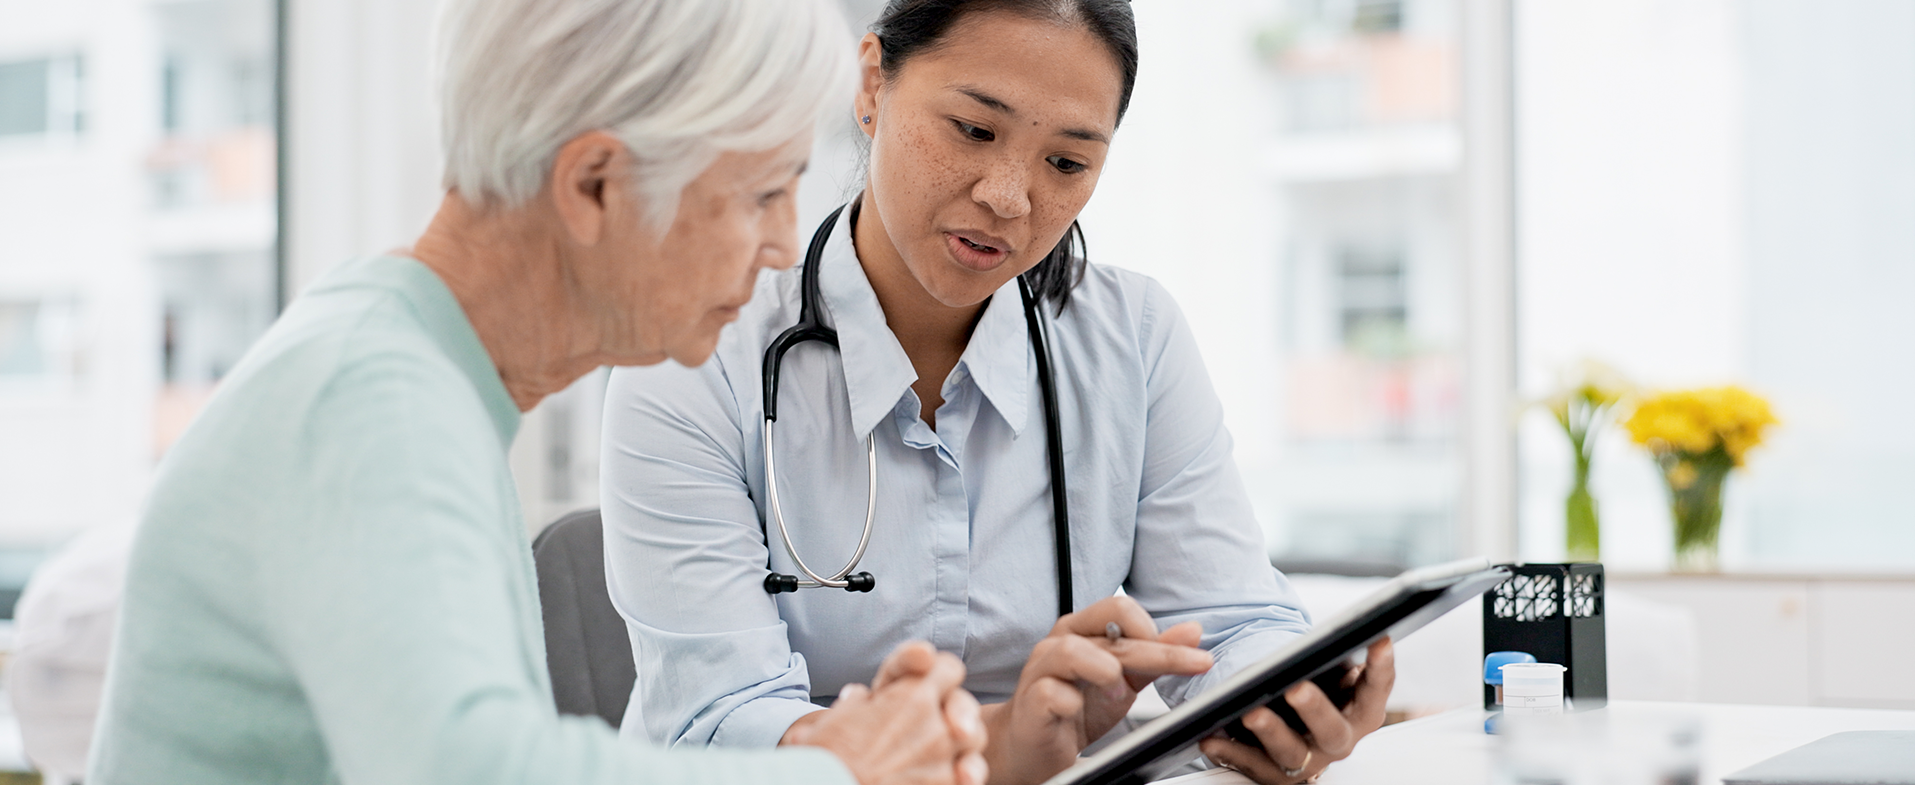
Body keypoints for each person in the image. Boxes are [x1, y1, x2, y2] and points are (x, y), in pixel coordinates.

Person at [85, 1, 988, 784]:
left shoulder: (399, 368)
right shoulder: (372, 402)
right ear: (593, 186)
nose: (785, 245)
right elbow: (470, 768)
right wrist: (840, 770)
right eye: (759, 194)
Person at [598, 2, 1396, 784]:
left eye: (1067, 163)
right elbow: (718, 721)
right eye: (973, 130)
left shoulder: (1133, 336)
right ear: (872, 84)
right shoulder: (695, 354)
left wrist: (1283, 697)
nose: (1009, 198)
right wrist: (992, 748)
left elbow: (1231, 621)